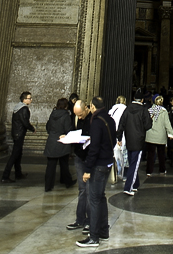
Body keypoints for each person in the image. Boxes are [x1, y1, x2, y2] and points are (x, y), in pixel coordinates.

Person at [76, 96, 116, 249]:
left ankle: (93, 236)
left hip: (98, 165)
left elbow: (94, 148)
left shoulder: (96, 122)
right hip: (107, 162)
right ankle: (103, 230)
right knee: (100, 197)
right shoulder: (109, 119)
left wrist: (87, 170)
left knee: (93, 200)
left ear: (92, 106)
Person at [116, 88, 152, 196]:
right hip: (138, 140)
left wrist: (119, 138)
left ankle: (135, 184)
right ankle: (128, 187)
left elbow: (121, 124)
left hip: (129, 139)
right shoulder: (143, 110)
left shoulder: (127, 109)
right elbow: (148, 126)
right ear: (142, 100)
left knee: (132, 161)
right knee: (134, 164)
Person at [66, 99, 92, 232]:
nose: (79, 117)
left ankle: (89, 221)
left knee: (89, 190)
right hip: (79, 155)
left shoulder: (93, 119)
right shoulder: (76, 118)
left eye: (80, 114)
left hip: (89, 157)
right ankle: (80, 219)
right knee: (82, 190)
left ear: (86, 109)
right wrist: (67, 137)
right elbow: (73, 131)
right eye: (77, 115)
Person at [1, 91, 35, 183]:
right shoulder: (24, 109)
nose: (31, 100)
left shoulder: (17, 108)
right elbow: (25, 122)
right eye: (29, 98)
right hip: (19, 134)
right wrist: (32, 128)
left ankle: (18, 173)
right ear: (24, 99)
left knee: (18, 154)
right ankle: (5, 176)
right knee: (15, 155)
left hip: (16, 133)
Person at [43, 97, 75, 192]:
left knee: (50, 166)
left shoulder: (52, 114)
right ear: (66, 106)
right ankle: (67, 182)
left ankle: (48, 186)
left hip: (52, 141)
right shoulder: (66, 116)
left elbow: (48, 127)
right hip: (62, 141)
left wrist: (53, 134)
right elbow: (68, 129)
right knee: (64, 164)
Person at [145, 96, 173, 175]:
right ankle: (162, 169)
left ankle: (149, 171)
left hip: (150, 135)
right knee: (161, 154)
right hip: (161, 136)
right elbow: (167, 124)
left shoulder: (149, 111)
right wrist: (170, 133)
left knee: (150, 154)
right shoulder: (164, 112)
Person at [108, 96, 127, 181]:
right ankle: (123, 174)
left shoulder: (112, 110)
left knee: (115, 154)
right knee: (123, 155)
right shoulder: (126, 110)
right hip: (122, 134)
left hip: (112, 134)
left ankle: (115, 172)